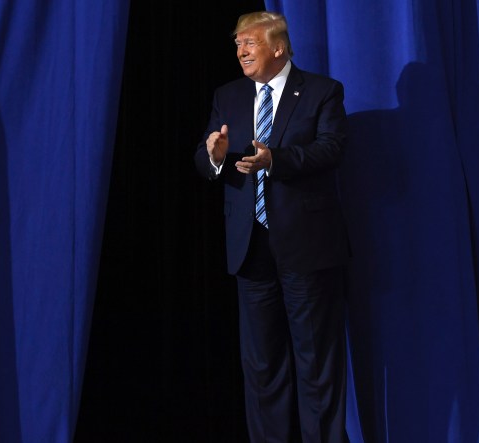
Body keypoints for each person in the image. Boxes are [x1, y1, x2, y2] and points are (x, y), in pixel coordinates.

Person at [194, 11, 349, 443]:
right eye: (237, 44)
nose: (241, 51)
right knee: (261, 366)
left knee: (315, 362)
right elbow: (205, 160)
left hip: (306, 245)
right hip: (250, 247)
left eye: (250, 43)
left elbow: (332, 149)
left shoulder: (321, 91)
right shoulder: (228, 95)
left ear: (277, 47)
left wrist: (275, 160)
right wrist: (215, 154)